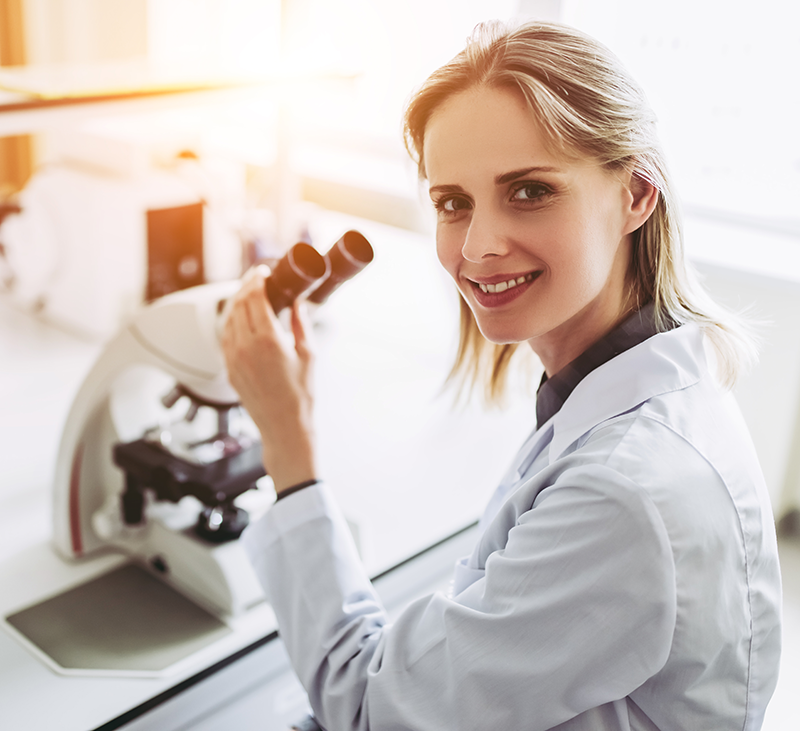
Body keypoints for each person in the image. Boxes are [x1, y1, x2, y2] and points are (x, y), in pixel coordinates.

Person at [221, 20, 782, 731]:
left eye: (530, 191)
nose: (479, 247)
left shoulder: (624, 490)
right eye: (453, 203)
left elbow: (369, 712)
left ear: (637, 193)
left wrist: (288, 447)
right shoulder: (642, 388)